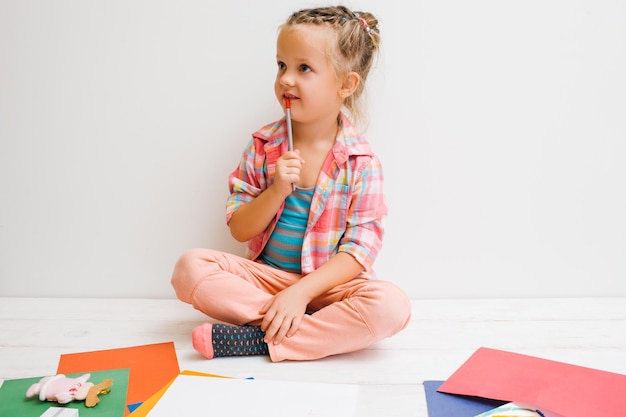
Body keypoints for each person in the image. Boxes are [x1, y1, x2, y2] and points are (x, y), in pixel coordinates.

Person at [171, 5, 411, 362]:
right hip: (267, 281)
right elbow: (239, 228)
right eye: (281, 65)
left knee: (392, 306)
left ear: (346, 84)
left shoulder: (361, 161)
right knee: (189, 268)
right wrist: (276, 191)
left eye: (304, 69)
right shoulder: (264, 145)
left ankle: (260, 338)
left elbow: (360, 251)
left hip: (329, 289)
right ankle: (291, 326)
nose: (286, 79)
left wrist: (301, 294)